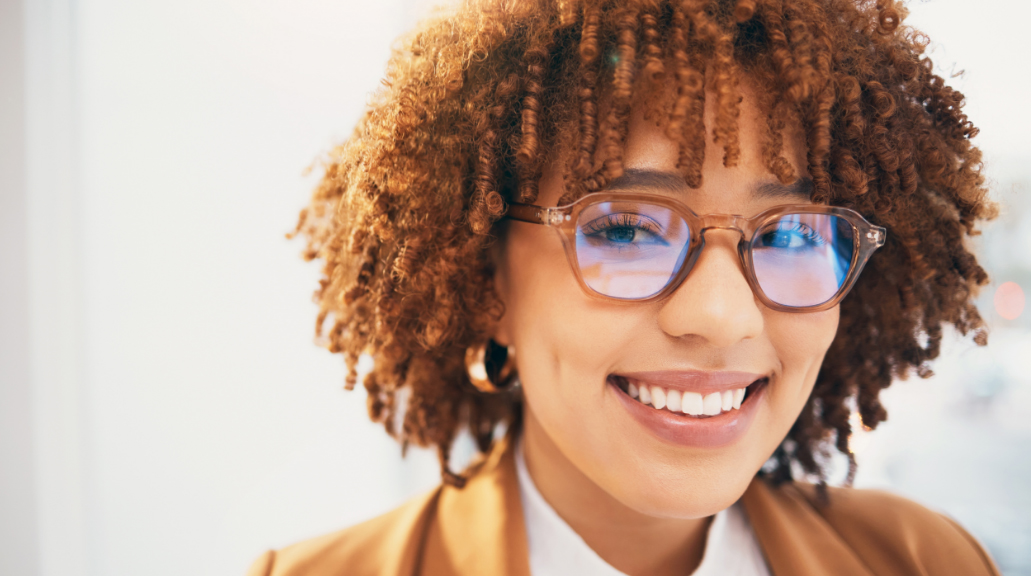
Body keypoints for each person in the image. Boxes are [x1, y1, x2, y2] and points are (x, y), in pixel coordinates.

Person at [248, 0, 1000, 574]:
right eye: (627, 229)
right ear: (485, 277)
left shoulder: (923, 560)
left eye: (792, 235)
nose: (722, 315)